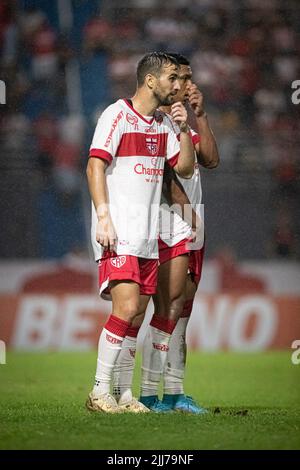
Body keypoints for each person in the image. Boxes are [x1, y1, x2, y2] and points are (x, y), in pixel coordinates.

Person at [86, 52, 196, 413]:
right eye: (171, 79)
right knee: (128, 306)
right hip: (117, 230)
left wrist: (182, 128)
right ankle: (99, 391)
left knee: (136, 317)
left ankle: (124, 394)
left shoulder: (163, 125)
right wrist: (104, 216)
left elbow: (183, 167)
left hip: (149, 236)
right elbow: (94, 166)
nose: (177, 86)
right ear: (151, 81)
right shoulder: (116, 114)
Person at [112, 53, 219, 413]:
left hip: (191, 220)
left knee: (180, 311)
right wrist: (188, 213)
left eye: (189, 78)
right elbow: (171, 177)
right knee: (150, 308)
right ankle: (136, 392)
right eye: (180, 77)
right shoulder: (157, 119)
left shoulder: (181, 117)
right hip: (169, 221)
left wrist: (199, 116)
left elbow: (210, 161)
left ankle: (172, 392)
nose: (186, 84)